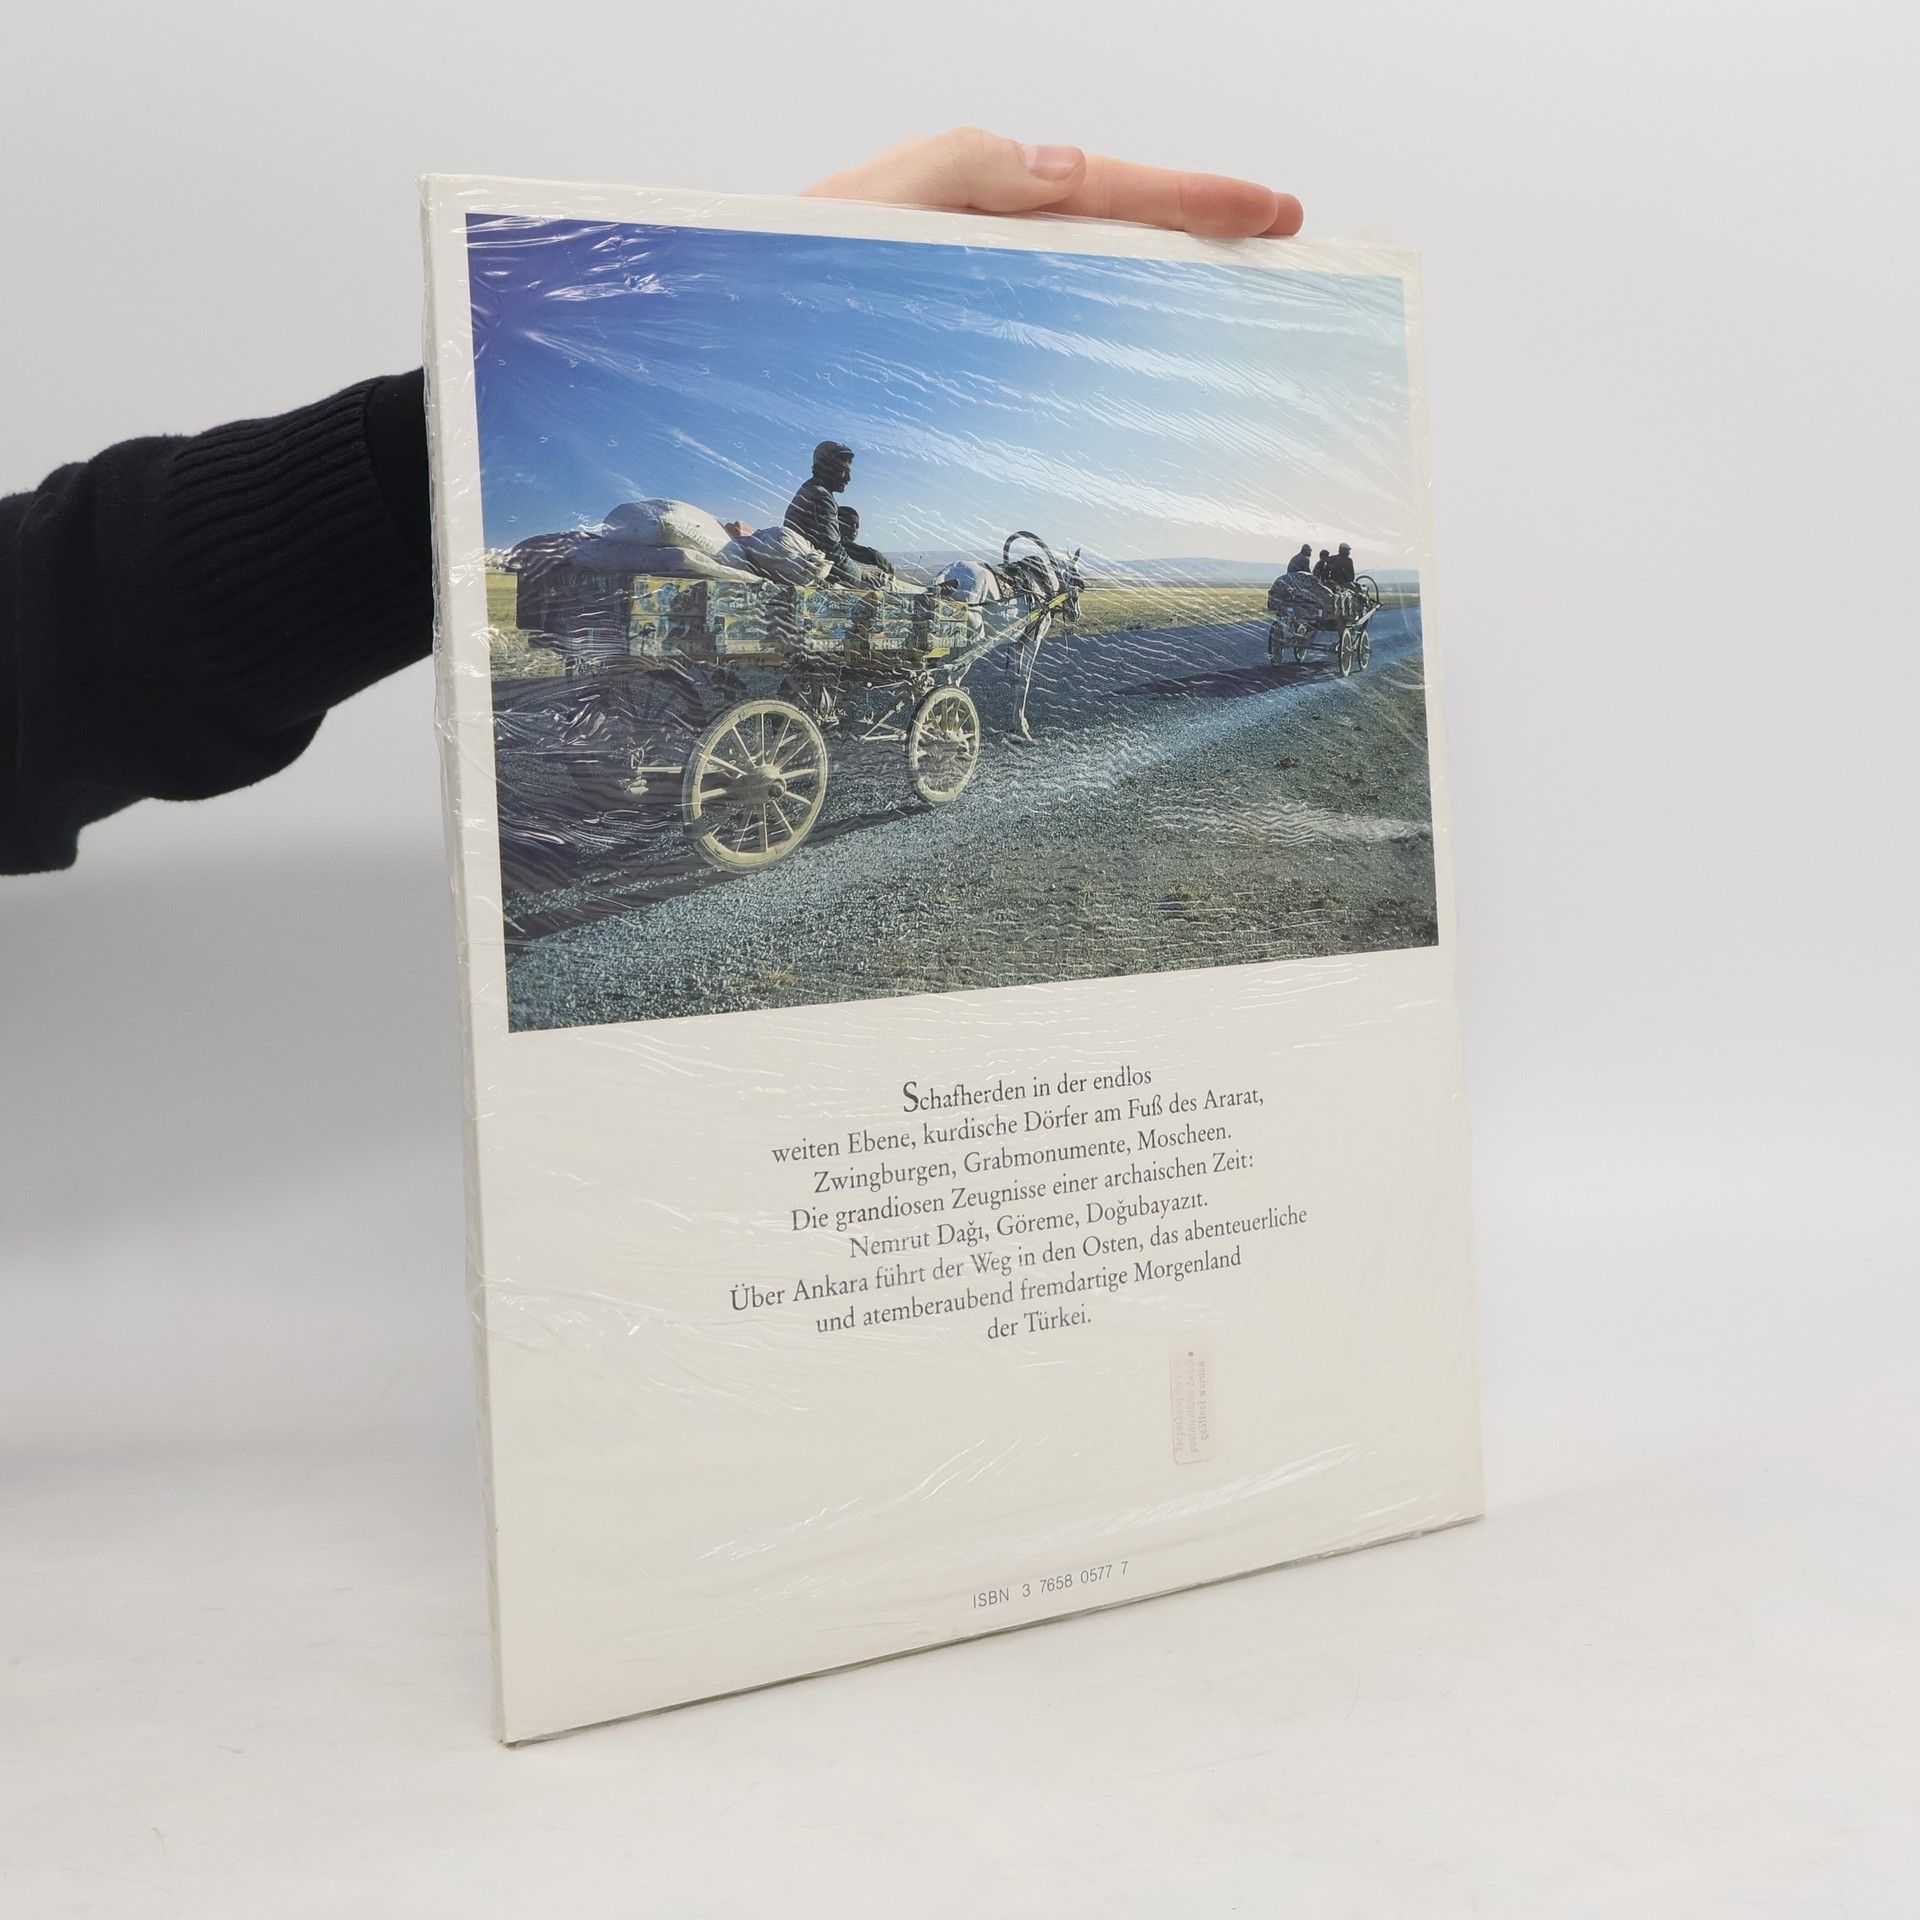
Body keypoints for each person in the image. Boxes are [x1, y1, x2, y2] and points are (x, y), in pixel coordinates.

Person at [1, 130, 1303, 875]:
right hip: (824, 613)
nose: (841, 485)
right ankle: (907, 722)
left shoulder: (797, 508)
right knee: (900, 615)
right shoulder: (813, 510)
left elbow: (58, 647)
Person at [784, 440, 863, 580]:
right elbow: (833, 552)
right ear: (825, 468)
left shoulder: (813, 490)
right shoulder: (820, 497)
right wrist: (861, 576)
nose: (848, 478)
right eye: (842, 471)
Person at [837, 507, 893, 584]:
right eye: (850, 525)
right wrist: (875, 556)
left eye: (857, 526)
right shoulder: (832, 542)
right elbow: (854, 550)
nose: (854, 529)